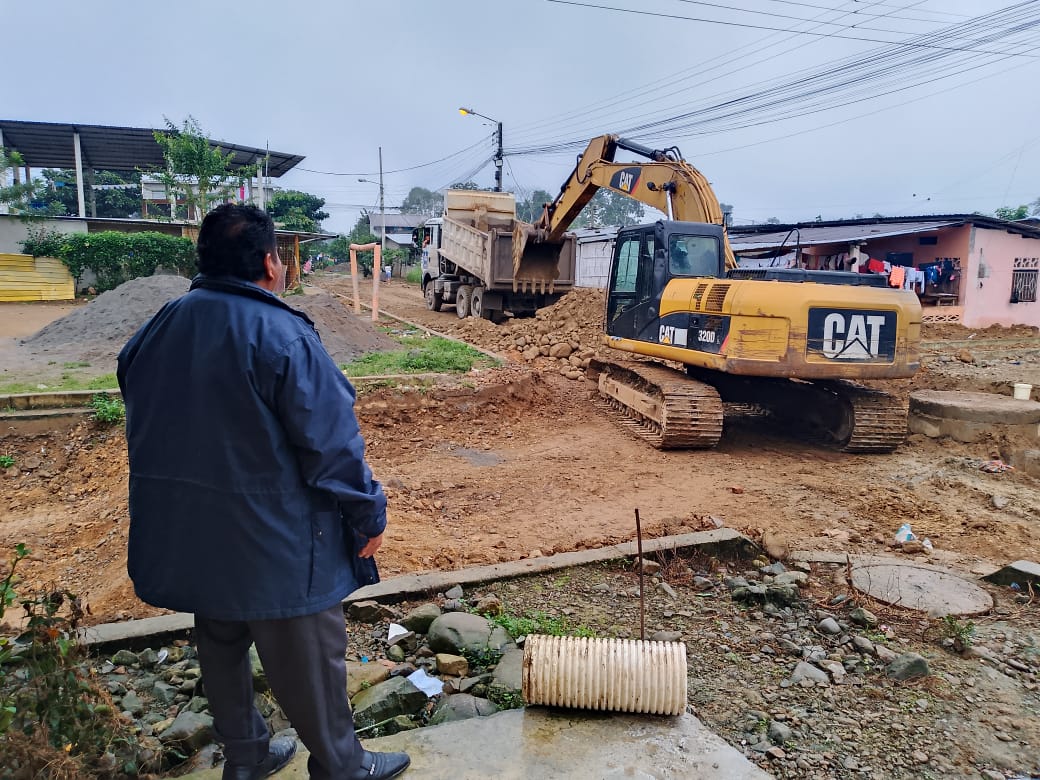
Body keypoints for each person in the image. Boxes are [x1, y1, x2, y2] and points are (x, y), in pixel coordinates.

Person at [117, 204, 410, 780]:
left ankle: (247, 759)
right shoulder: (282, 335)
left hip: (193, 532)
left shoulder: (160, 327)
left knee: (220, 643)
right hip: (273, 539)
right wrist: (368, 513)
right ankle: (342, 766)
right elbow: (331, 445)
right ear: (272, 263)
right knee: (310, 655)